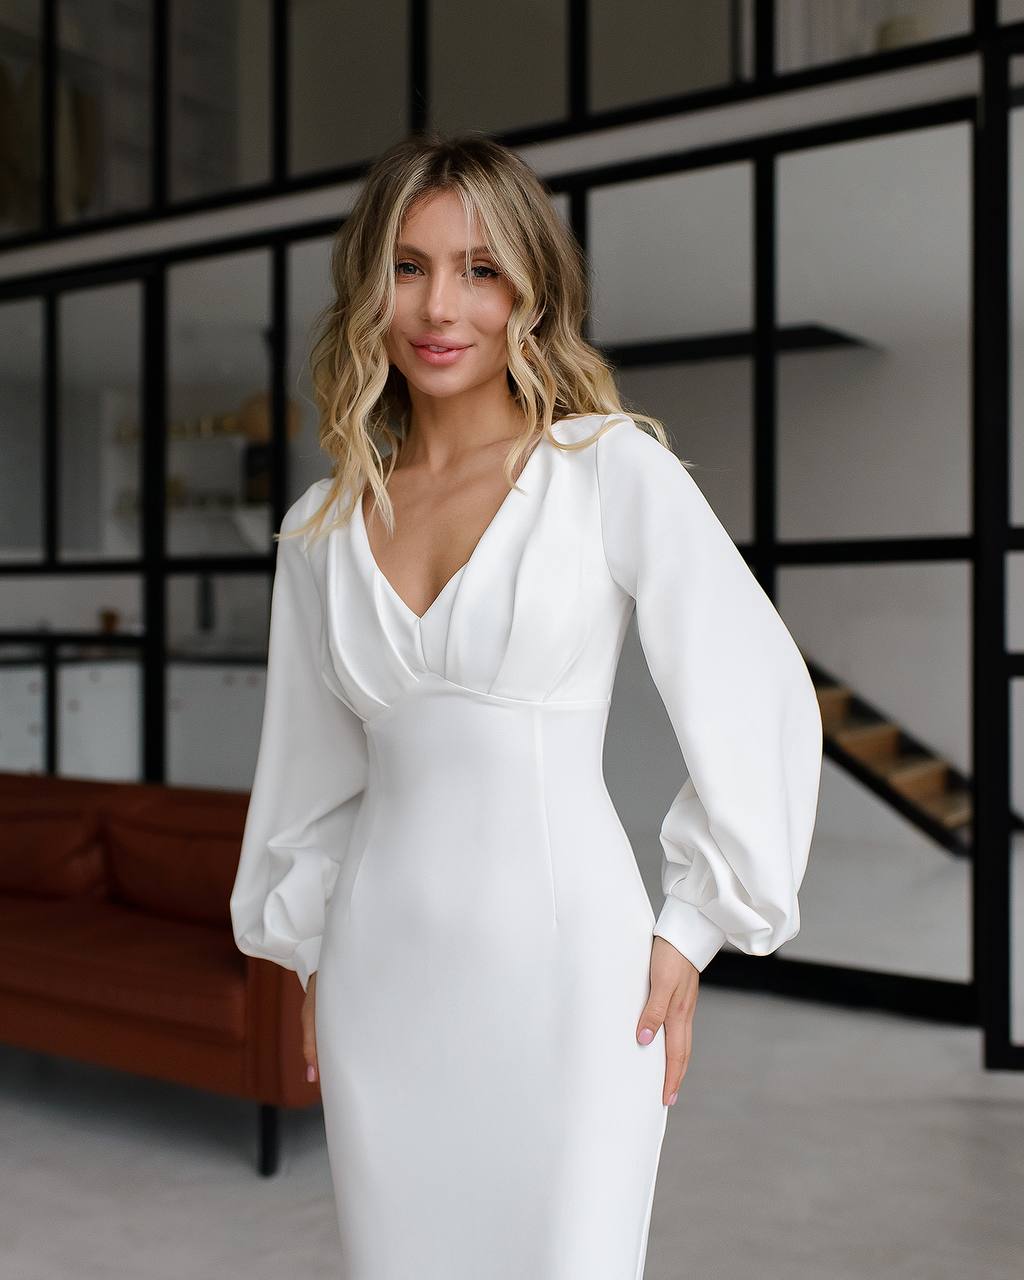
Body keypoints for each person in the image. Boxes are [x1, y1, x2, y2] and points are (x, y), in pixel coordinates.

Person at [229, 130, 823, 1279]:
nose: (440, 305)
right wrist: (308, 959)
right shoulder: (320, 527)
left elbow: (757, 685)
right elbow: (307, 776)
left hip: (571, 974)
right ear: (368, 285)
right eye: (408, 266)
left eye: (479, 268)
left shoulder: (604, 469)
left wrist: (690, 927)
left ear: (529, 291)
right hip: (376, 978)